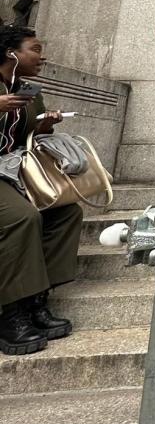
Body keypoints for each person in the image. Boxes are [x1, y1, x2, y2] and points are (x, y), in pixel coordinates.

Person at [0, 24, 80, 356]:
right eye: (34, 49)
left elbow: (25, 136)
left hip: (14, 169)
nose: (41, 56)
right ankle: (10, 311)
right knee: (22, 217)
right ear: (10, 53)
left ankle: (36, 299)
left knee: (65, 210)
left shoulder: (29, 89)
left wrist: (44, 123)